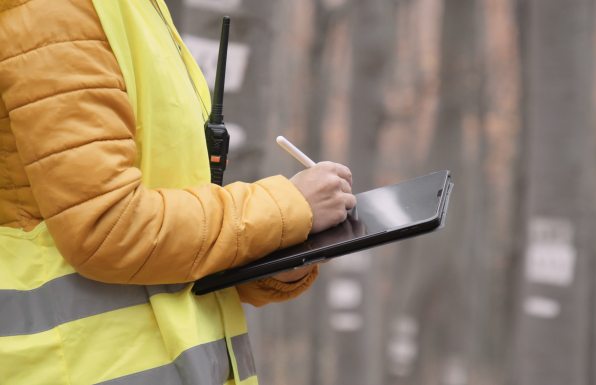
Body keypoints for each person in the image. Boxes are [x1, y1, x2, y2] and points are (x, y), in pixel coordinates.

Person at [0, 1, 355, 384]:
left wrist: (275, 246)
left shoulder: (137, 9)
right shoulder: (53, 13)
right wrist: (286, 207)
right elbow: (107, 226)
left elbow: (173, 228)